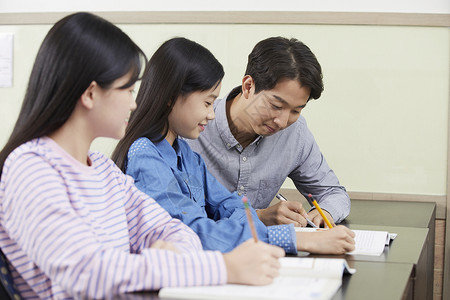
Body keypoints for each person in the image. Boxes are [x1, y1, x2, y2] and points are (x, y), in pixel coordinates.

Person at [0, 13, 284, 299]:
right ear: (90, 94)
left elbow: (173, 229)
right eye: (128, 89)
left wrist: (169, 260)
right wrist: (222, 267)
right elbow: (88, 273)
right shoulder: (30, 169)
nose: (135, 102)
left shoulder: (102, 171)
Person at [112, 37, 355, 257]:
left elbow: (230, 206)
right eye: (207, 102)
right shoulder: (145, 155)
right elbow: (196, 232)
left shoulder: (184, 153)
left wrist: (269, 226)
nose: (210, 113)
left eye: (295, 110)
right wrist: (296, 240)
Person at [187, 36, 350, 228]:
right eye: (275, 105)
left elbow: (333, 193)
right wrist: (258, 217)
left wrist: (323, 213)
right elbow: (175, 214)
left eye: (296, 110)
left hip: (266, 252)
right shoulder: (192, 126)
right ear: (248, 86)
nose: (282, 122)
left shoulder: (294, 133)